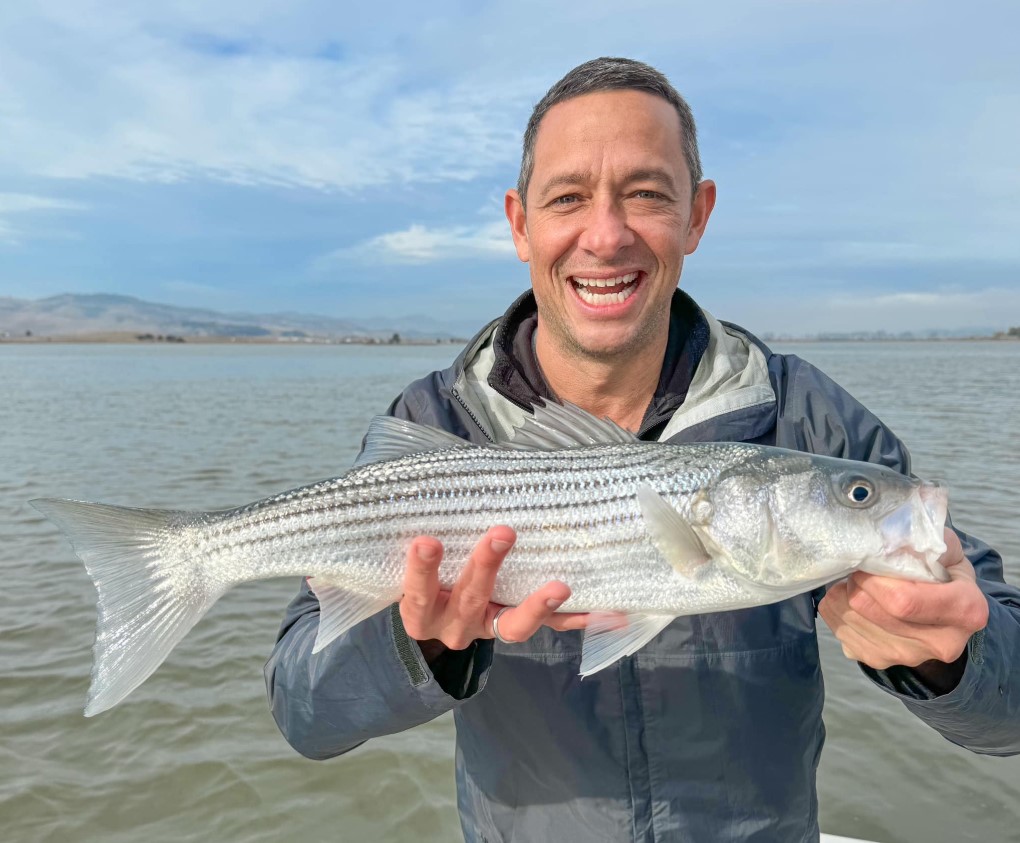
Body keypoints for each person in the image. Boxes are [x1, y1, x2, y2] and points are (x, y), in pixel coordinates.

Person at [265, 57, 1019, 841]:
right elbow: (305, 713)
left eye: (647, 194)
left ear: (698, 214)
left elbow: (1013, 709)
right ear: (520, 224)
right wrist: (413, 646)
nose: (606, 235)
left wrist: (953, 659)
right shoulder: (438, 421)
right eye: (567, 198)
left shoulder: (806, 419)